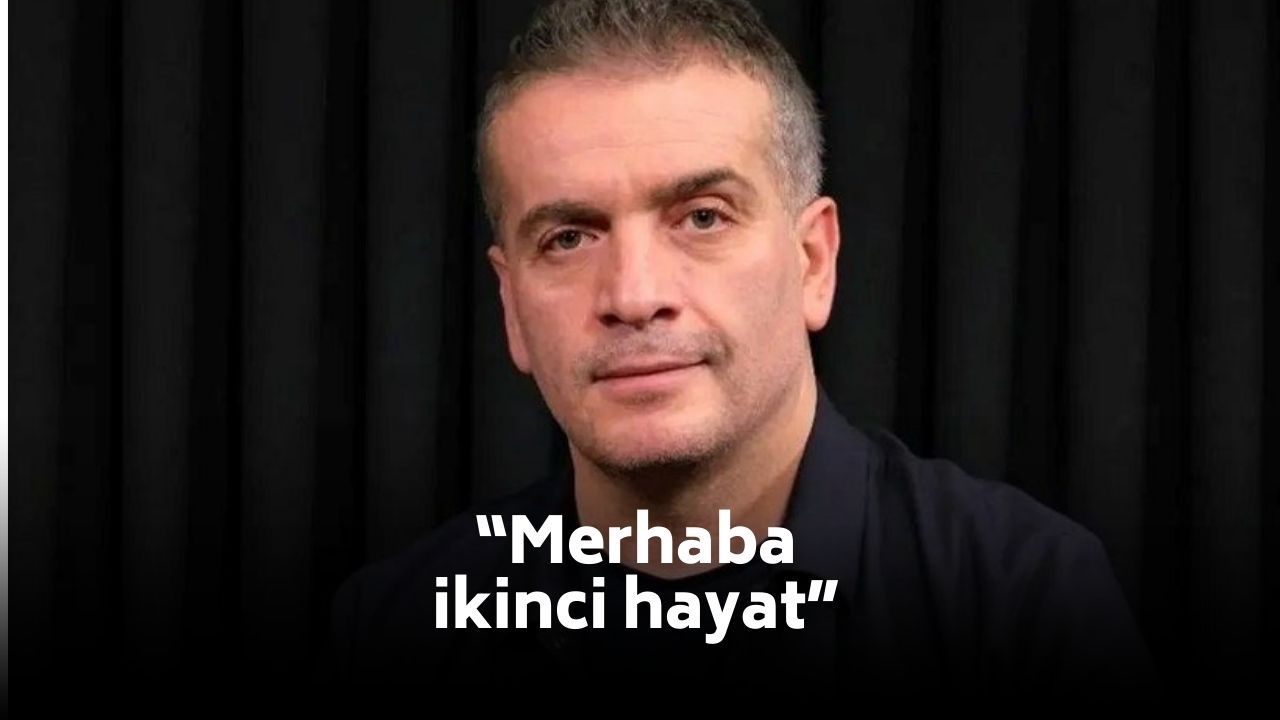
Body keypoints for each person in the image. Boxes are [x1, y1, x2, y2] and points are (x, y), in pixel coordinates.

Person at [324, 0, 1159, 696]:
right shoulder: (395, 631)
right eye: (569, 238)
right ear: (510, 304)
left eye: (702, 218)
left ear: (814, 262)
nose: (633, 295)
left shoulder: (1023, 607)